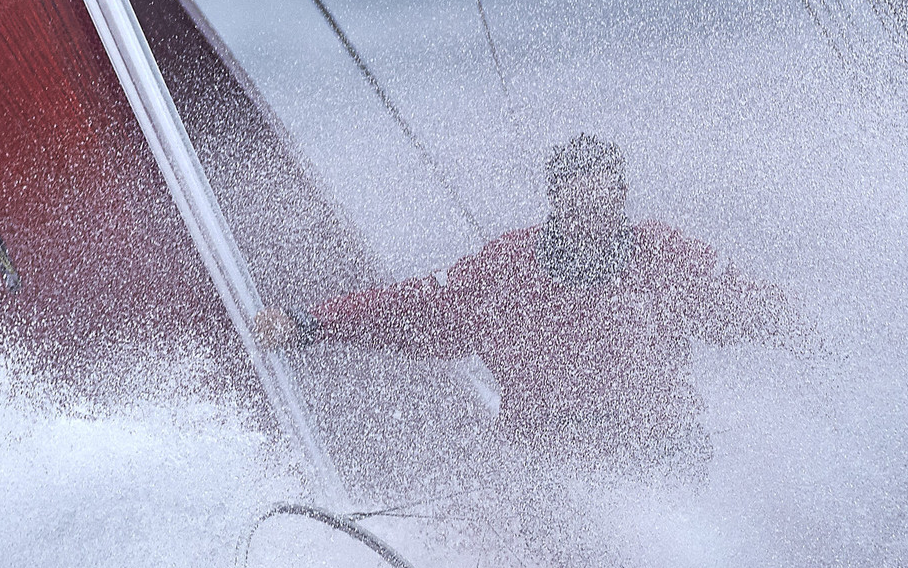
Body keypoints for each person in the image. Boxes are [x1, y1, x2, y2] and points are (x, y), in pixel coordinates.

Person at [254, 135, 795, 467]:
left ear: (621, 200)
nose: (590, 220)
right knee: (539, 501)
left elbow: (742, 305)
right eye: (575, 203)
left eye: (602, 202)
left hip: (660, 454)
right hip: (548, 467)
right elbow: (411, 309)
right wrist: (308, 323)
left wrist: (819, 340)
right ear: (555, 204)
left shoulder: (664, 254)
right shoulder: (507, 267)